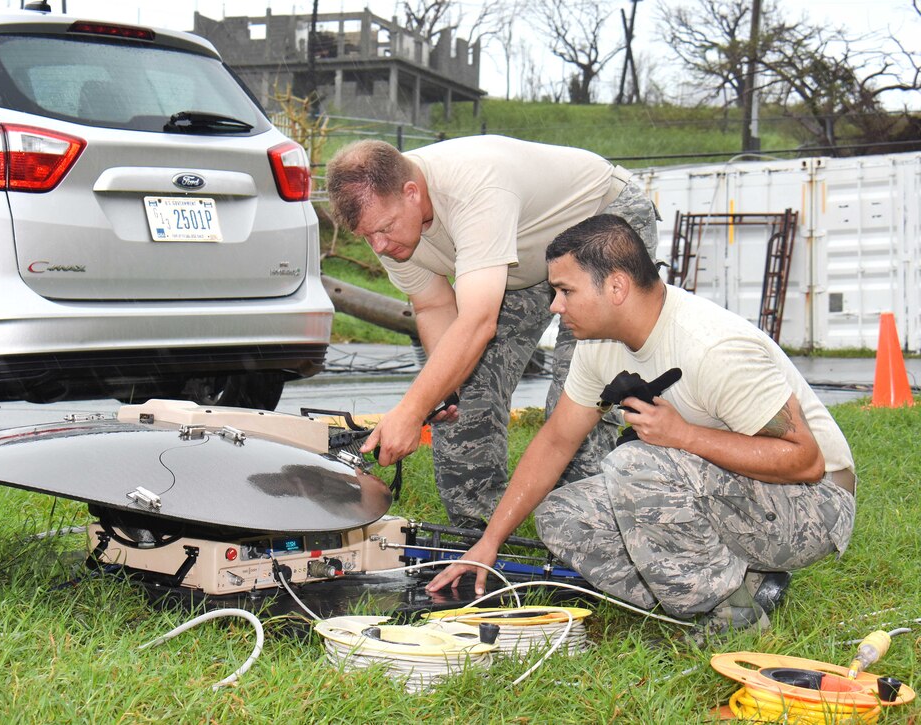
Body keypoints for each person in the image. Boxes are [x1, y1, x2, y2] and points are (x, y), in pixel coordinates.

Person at [426, 214, 856, 633]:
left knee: (634, 463)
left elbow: (806, 463)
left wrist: (684, 436)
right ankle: (738, 587)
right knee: (562, 514)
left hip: (814, 505)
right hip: (737, 493)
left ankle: (730, 615)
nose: (555, 306)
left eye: (564, 290)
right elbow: (556, 441)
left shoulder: (713, 346)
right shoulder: (598, 344)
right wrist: (489, 543)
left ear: (616, 286)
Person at [325, 135, 659, 529]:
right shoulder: (392, 228)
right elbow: (434, 306)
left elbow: (478, 322)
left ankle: (587, 537)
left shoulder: (473, 187)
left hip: (600, 226)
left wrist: (411, 411)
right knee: (460, 403)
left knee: (577, 400)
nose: (379, 246)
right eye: (367, 237)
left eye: (384, 229)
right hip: (518, 263)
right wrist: (442, 393)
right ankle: (480, 538)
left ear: (412, 192)